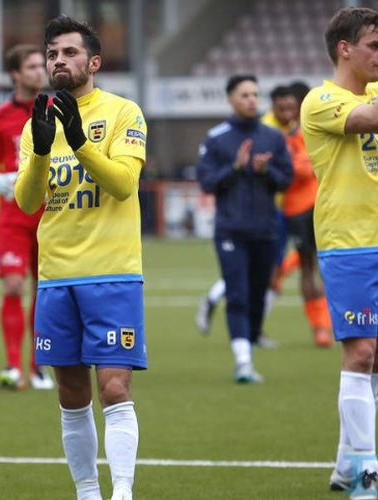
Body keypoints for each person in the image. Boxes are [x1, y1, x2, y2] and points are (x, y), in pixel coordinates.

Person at [15, 15, 147, 500]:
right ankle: (88, 493)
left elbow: (123, 184)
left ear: (93, 61)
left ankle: (123, 492)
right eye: (52, 54)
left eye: (69, 53)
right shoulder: (36, 124)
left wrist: (81, 144)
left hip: (112, 275)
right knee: (71, 395)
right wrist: (46, 150)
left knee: (114, 389)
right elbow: (28, 202)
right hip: (56, 278)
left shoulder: (123, 112)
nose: (58, 61)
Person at [300, 7, 378, 496]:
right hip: (348, 243)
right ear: (345, 48)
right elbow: (369, 119)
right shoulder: (320, 100)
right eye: (374, 45)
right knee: (361, 352)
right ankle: (367, 473)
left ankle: (347, 463)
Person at [196, 75, 292, 384]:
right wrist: (235, 167)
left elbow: (287, 179)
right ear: (231, 99)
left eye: (254, 93)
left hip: (266, 230)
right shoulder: (217, 138)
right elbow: (207, 182)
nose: (252, 99)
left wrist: (267, 172)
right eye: (244, 94)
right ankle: (243, 362)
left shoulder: (273, 138)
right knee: (237, 295)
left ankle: (248, 349)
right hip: (230, 231)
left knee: (257, 296)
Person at [0, 43, 54, 390]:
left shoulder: (58, 110)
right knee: (12, 285)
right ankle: (13, 366)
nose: (41, 71)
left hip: (51, 214)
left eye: (43, 65)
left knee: (46, 290)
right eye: (32, 66)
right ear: (16, 74)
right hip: (13, 215)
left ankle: (39, 365)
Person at [277, 83, 333, 348]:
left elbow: (303, 169)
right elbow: (297, 171)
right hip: (297, 210)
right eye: (282, 107)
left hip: (316, 206)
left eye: (290, 106)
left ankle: (330, 322)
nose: (286, 112)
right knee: (309, 266)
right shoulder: (286, 136)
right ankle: (320, 327)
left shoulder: (303, 133)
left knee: (325, 265)